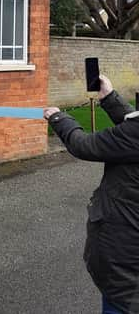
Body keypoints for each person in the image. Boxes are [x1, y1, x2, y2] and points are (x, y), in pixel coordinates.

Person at [43, 75, 139, 314]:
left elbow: (84, 145)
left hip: (126, 253)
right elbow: (132, 132)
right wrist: (110, 99)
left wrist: (58, 118)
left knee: (120, 301)